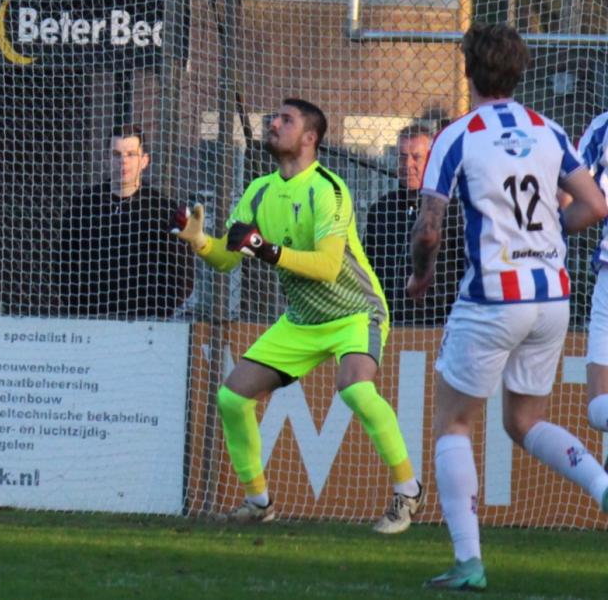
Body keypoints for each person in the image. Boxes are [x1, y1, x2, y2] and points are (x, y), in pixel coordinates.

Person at [408, 25, 608, 591]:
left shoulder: (458, 135)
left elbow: (429, 227)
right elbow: (596, 205)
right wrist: (550, 233)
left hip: (494, 297)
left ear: (468, 68)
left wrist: (421, 273)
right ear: (520, 72)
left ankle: (469, 562)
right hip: (552, 297)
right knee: (524, 421)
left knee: (453, 422)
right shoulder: (548, 130)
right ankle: (603, 486)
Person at [173, 98, 420, 532]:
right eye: (274, 117)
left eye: (286, 120)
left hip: (354, 313)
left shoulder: (328, 189)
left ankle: (407, 491)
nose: (274, 123)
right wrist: (201, 242)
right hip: (302, 320)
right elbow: (229, 259)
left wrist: (265, 250)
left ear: (310, 137)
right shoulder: (258, 190)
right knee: (232, 397)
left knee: (355, 388)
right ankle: (259, 503)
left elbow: (327, 266)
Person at [61, 126, 190, 318]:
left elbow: (181, 273)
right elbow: (64, 266)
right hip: (92, 319)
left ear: (144, 160)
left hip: (147, 320)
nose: (123, 161)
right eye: (116, 154)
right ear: (106, 159)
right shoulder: (83, 206)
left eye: (131, 154)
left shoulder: (163, 210)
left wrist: (160, 313)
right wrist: (81, 311)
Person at [361, 123, 459, 327]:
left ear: (431, 160)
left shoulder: (452, 210)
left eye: (416, 157)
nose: (407, 165)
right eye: (402, 157)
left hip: (438, 322)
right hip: (388, 320)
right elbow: (367, 267)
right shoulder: (381, 210)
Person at [578, 106, 608, 453]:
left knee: (599, 406)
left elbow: (568, 195)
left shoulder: (602, 128)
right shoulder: (601, 127)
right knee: (599, 408)